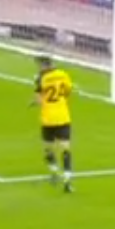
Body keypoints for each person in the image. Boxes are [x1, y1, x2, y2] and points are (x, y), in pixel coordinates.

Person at [32, 55, 74, 193]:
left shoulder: (41, 78)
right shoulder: (63, 74)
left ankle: (54, 172)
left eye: (40, 65)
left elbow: (38, 100)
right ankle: (67, 180)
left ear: (45, 65)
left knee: (48, 148)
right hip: (63, 117)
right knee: (65, 149)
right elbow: (68, 91)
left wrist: (35, 101)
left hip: (48, 119)